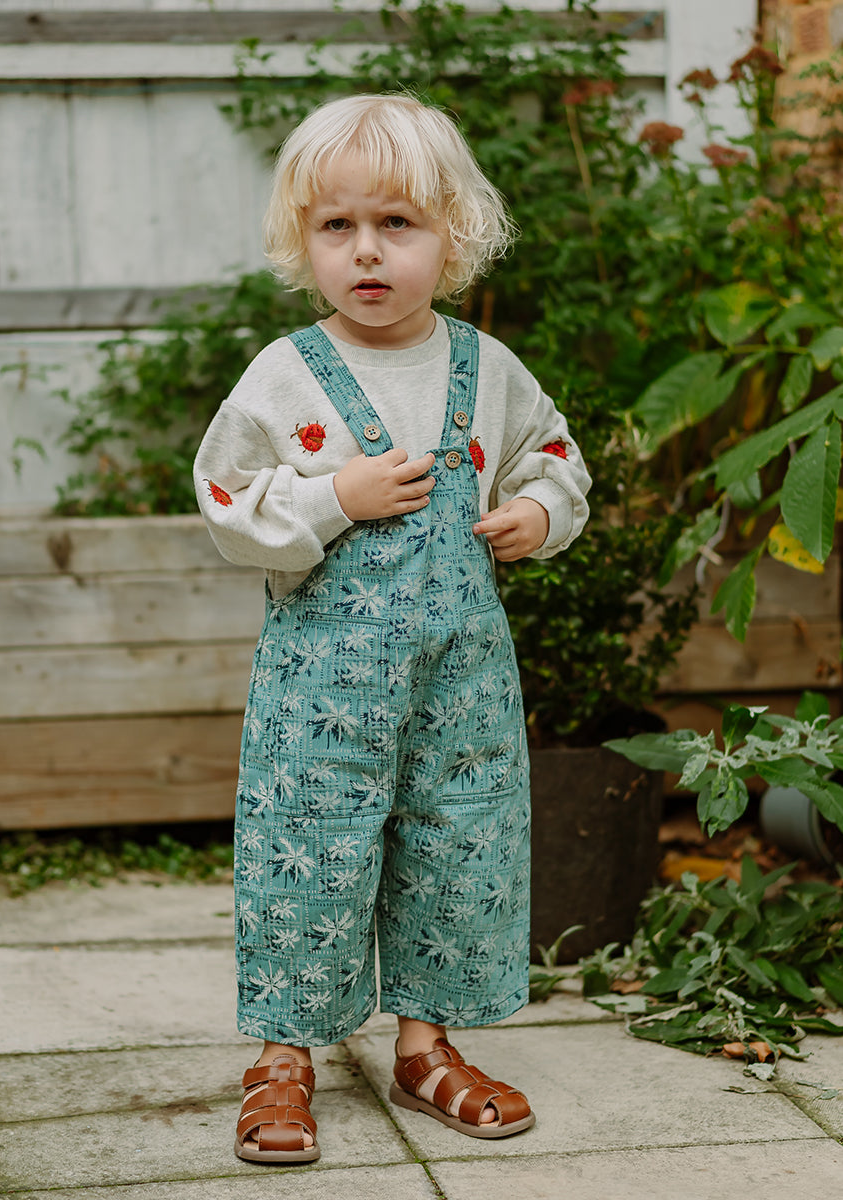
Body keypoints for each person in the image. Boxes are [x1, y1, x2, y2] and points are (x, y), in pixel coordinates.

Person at [194, 92, 591, 1165]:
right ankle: (282, 1059)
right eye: (339, 225)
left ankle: (425, 1046)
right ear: (305, 240)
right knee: (307, 851)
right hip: (322, 692)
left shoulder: (487, 369)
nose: (366, 250)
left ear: (453, 235)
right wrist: (335, 497)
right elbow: (225, 499)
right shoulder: (286, 375)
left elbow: (556, 457)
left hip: (460, 681)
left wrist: (536, 512)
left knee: (457, 845)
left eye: (397, 223)